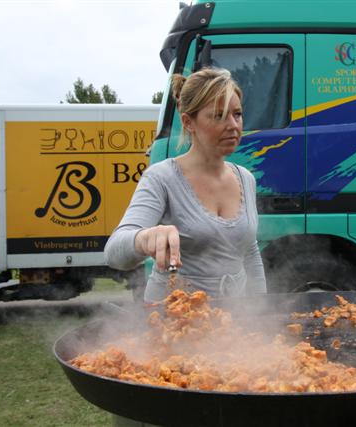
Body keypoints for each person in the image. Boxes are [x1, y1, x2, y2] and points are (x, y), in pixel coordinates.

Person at [104, 67, 266, 302]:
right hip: (173, 314)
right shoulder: (161, 178)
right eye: (219, 116)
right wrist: (144, 238)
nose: (233, 125)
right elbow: (113, 253)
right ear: (188, 122)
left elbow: (250, 252)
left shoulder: (245, 178)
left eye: (237, 114)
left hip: (233, 315)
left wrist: (262, 308)